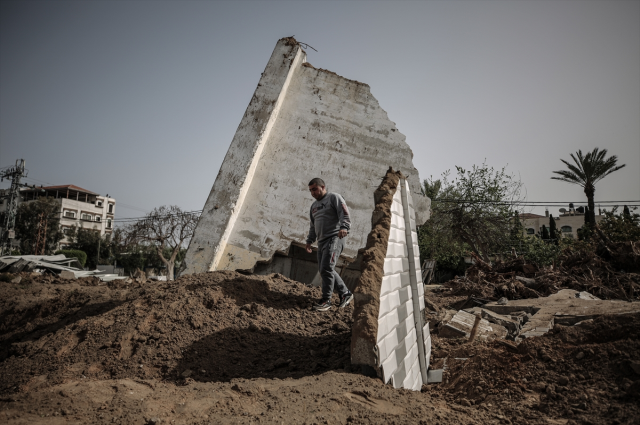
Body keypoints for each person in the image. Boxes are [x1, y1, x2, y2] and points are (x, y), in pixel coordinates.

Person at [305, 177, 354, 311]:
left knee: (327, 267)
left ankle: (326, 300)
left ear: (323, 187)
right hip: (322, 241)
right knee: (324, 269)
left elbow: (345, 214)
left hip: (335, 237)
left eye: (314, 189)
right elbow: (313, 226)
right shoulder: (313, 207)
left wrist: (344, 227)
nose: (312, 193)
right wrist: (309, 241)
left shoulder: (334, 197)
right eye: (310, 191)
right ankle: (345, 293)